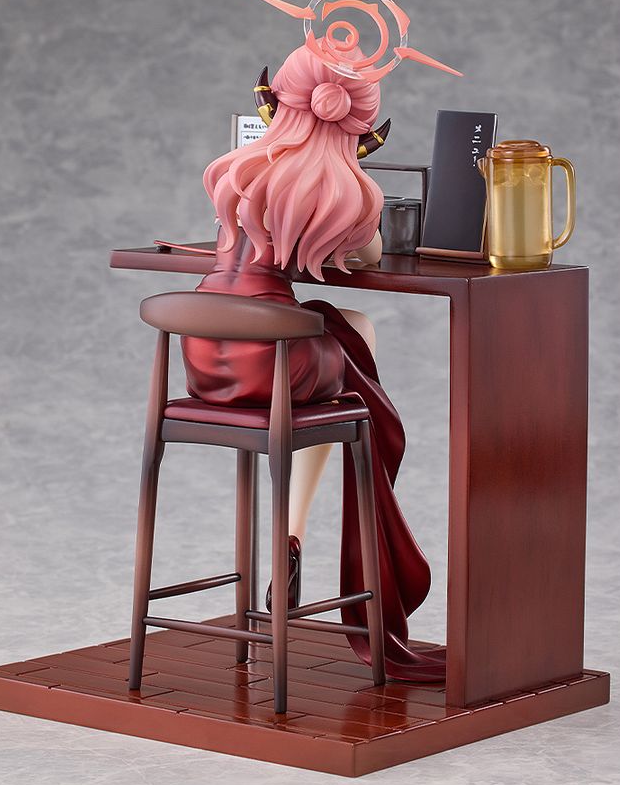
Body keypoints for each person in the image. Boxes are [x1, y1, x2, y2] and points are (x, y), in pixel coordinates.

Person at [180, 42, 445, 681]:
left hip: (202, 354)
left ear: (281, 105)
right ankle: (292, 533)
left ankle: (290, 538)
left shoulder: (240, 169)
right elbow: (368, 256)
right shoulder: (338, 187)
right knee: (351, 362)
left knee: (340, 327)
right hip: (269, 362)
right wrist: (351, 178)